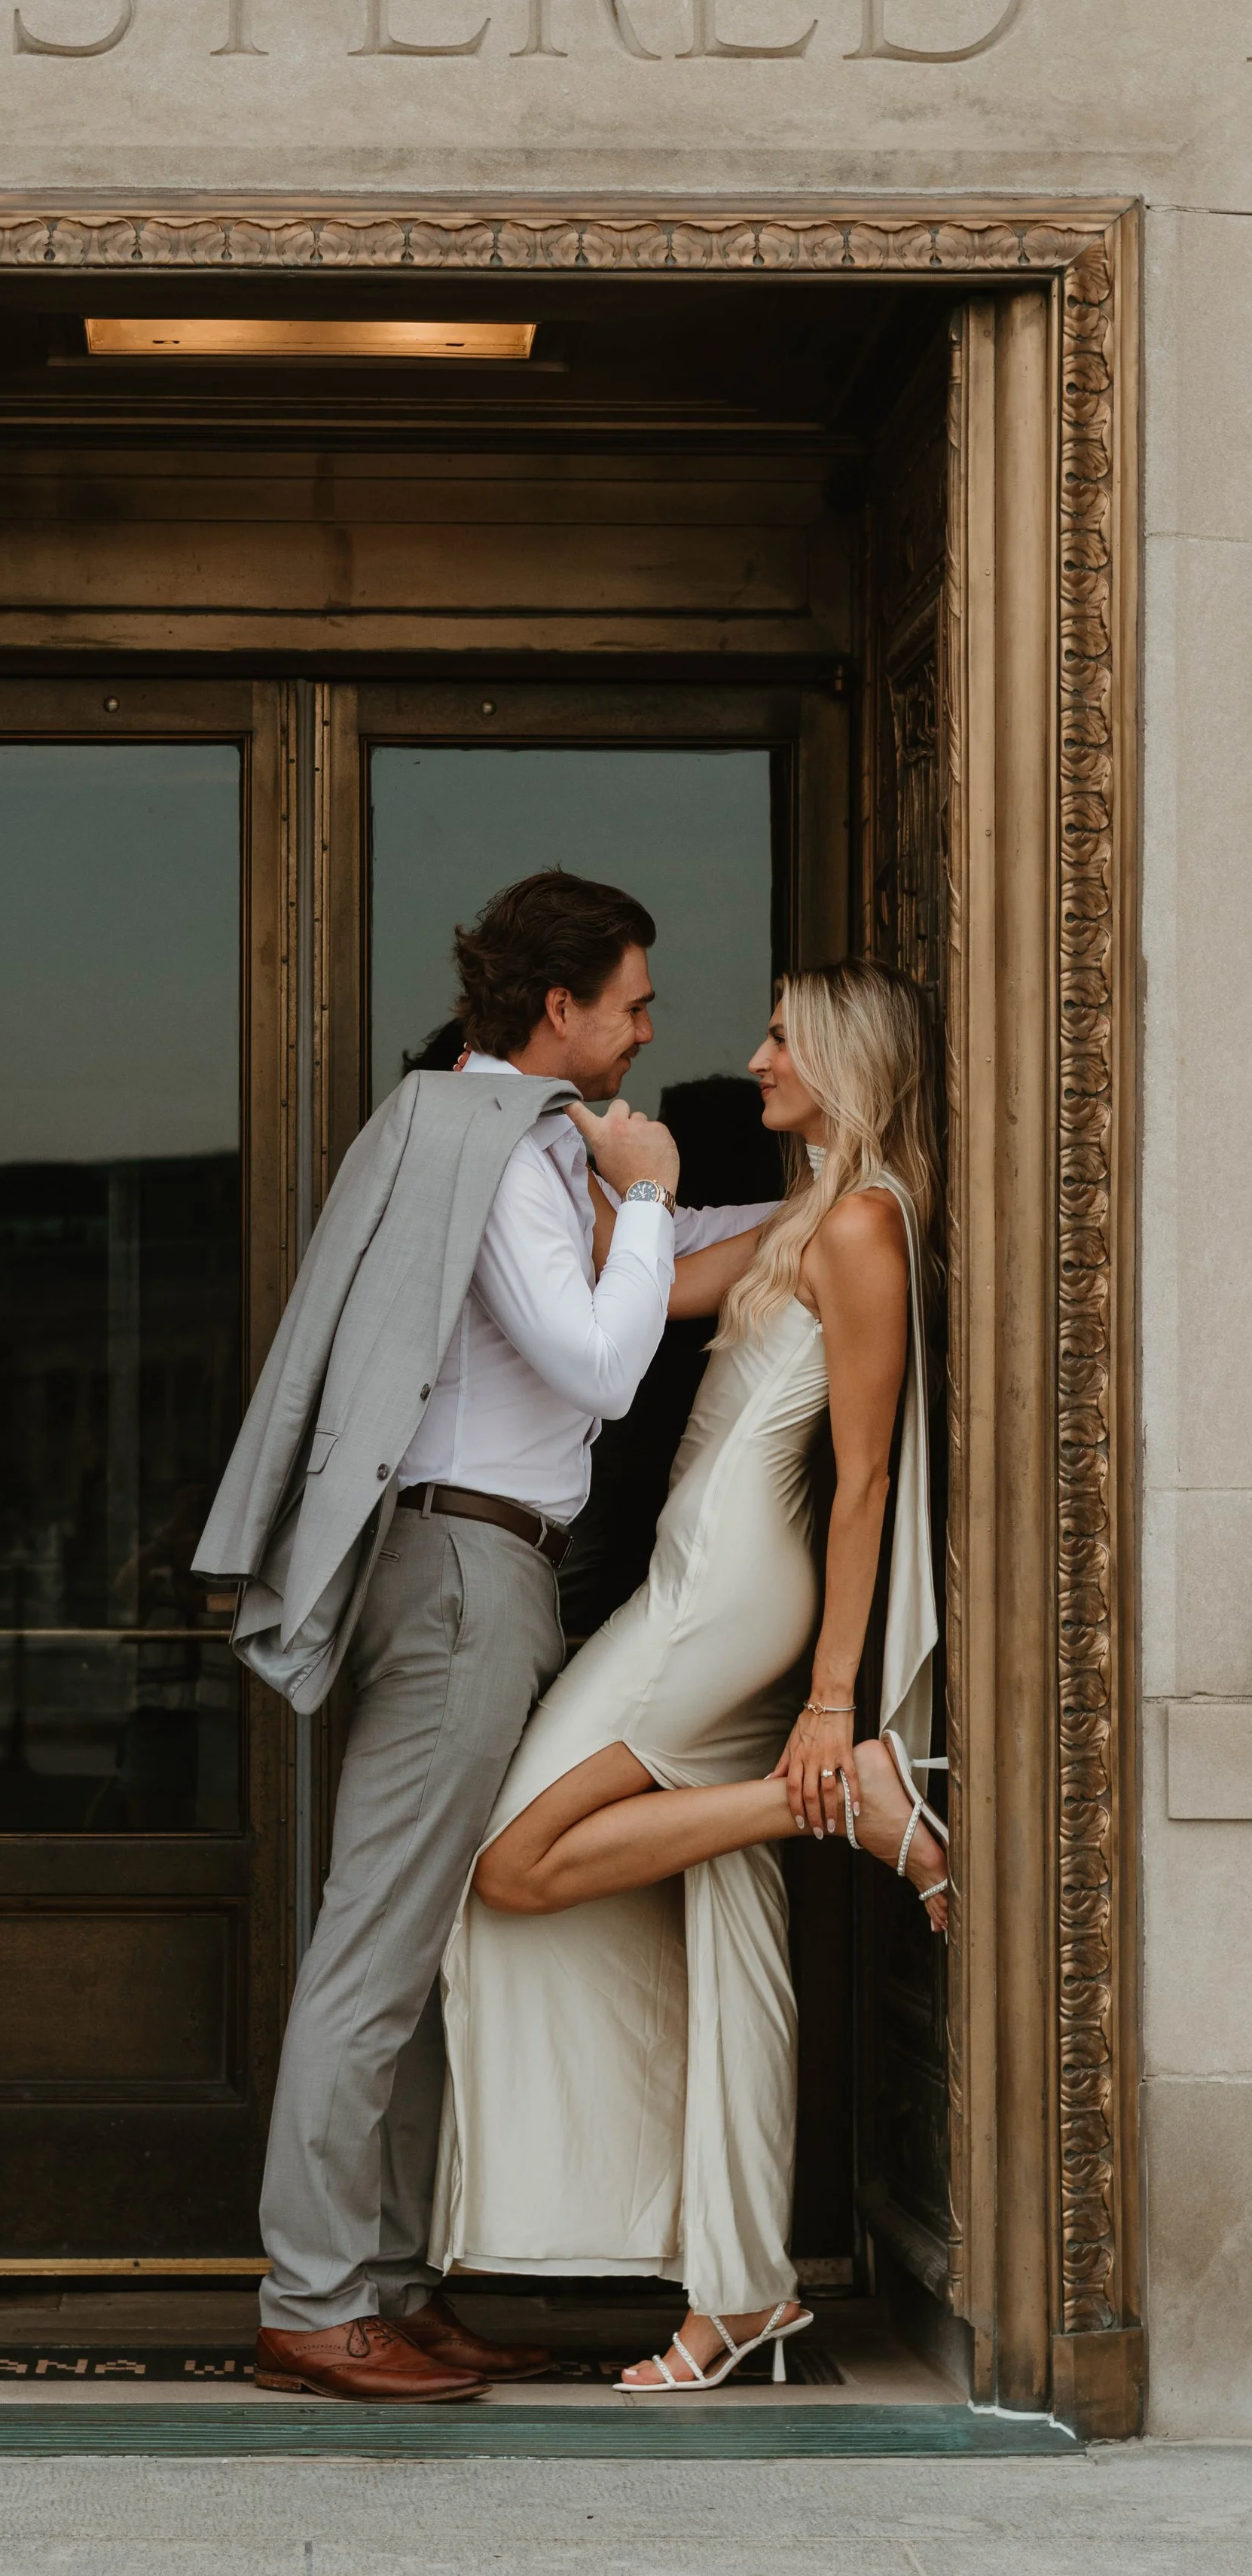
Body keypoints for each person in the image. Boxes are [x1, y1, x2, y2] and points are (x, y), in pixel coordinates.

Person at [194, 871, 773, 2402]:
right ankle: (316, 2300)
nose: (651, 1030)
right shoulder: (506, 1146)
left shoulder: (515, 1145)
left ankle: (383, 2279)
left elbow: (667, 1277)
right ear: (558, 1007)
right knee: (377, 1940)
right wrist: (646, 1193)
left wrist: (825, 1198)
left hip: (464, 1566)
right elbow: (596, 1362)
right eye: (634, 1003)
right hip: (461, 1573)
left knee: (410, 1932)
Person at [430, 960, 948, 2395]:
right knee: (718, 1915)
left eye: (784, 1034)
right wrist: (579, 1133)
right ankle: (742, 2290)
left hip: (722, 1603)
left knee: (513, 1864)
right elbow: (639, 1295)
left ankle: (827, 1799)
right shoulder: (810, 1217)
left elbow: (864, 1482)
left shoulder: (860, 1229)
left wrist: (835, 1703)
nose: (756, 1055)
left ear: (843, 1059)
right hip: (691, 1586)